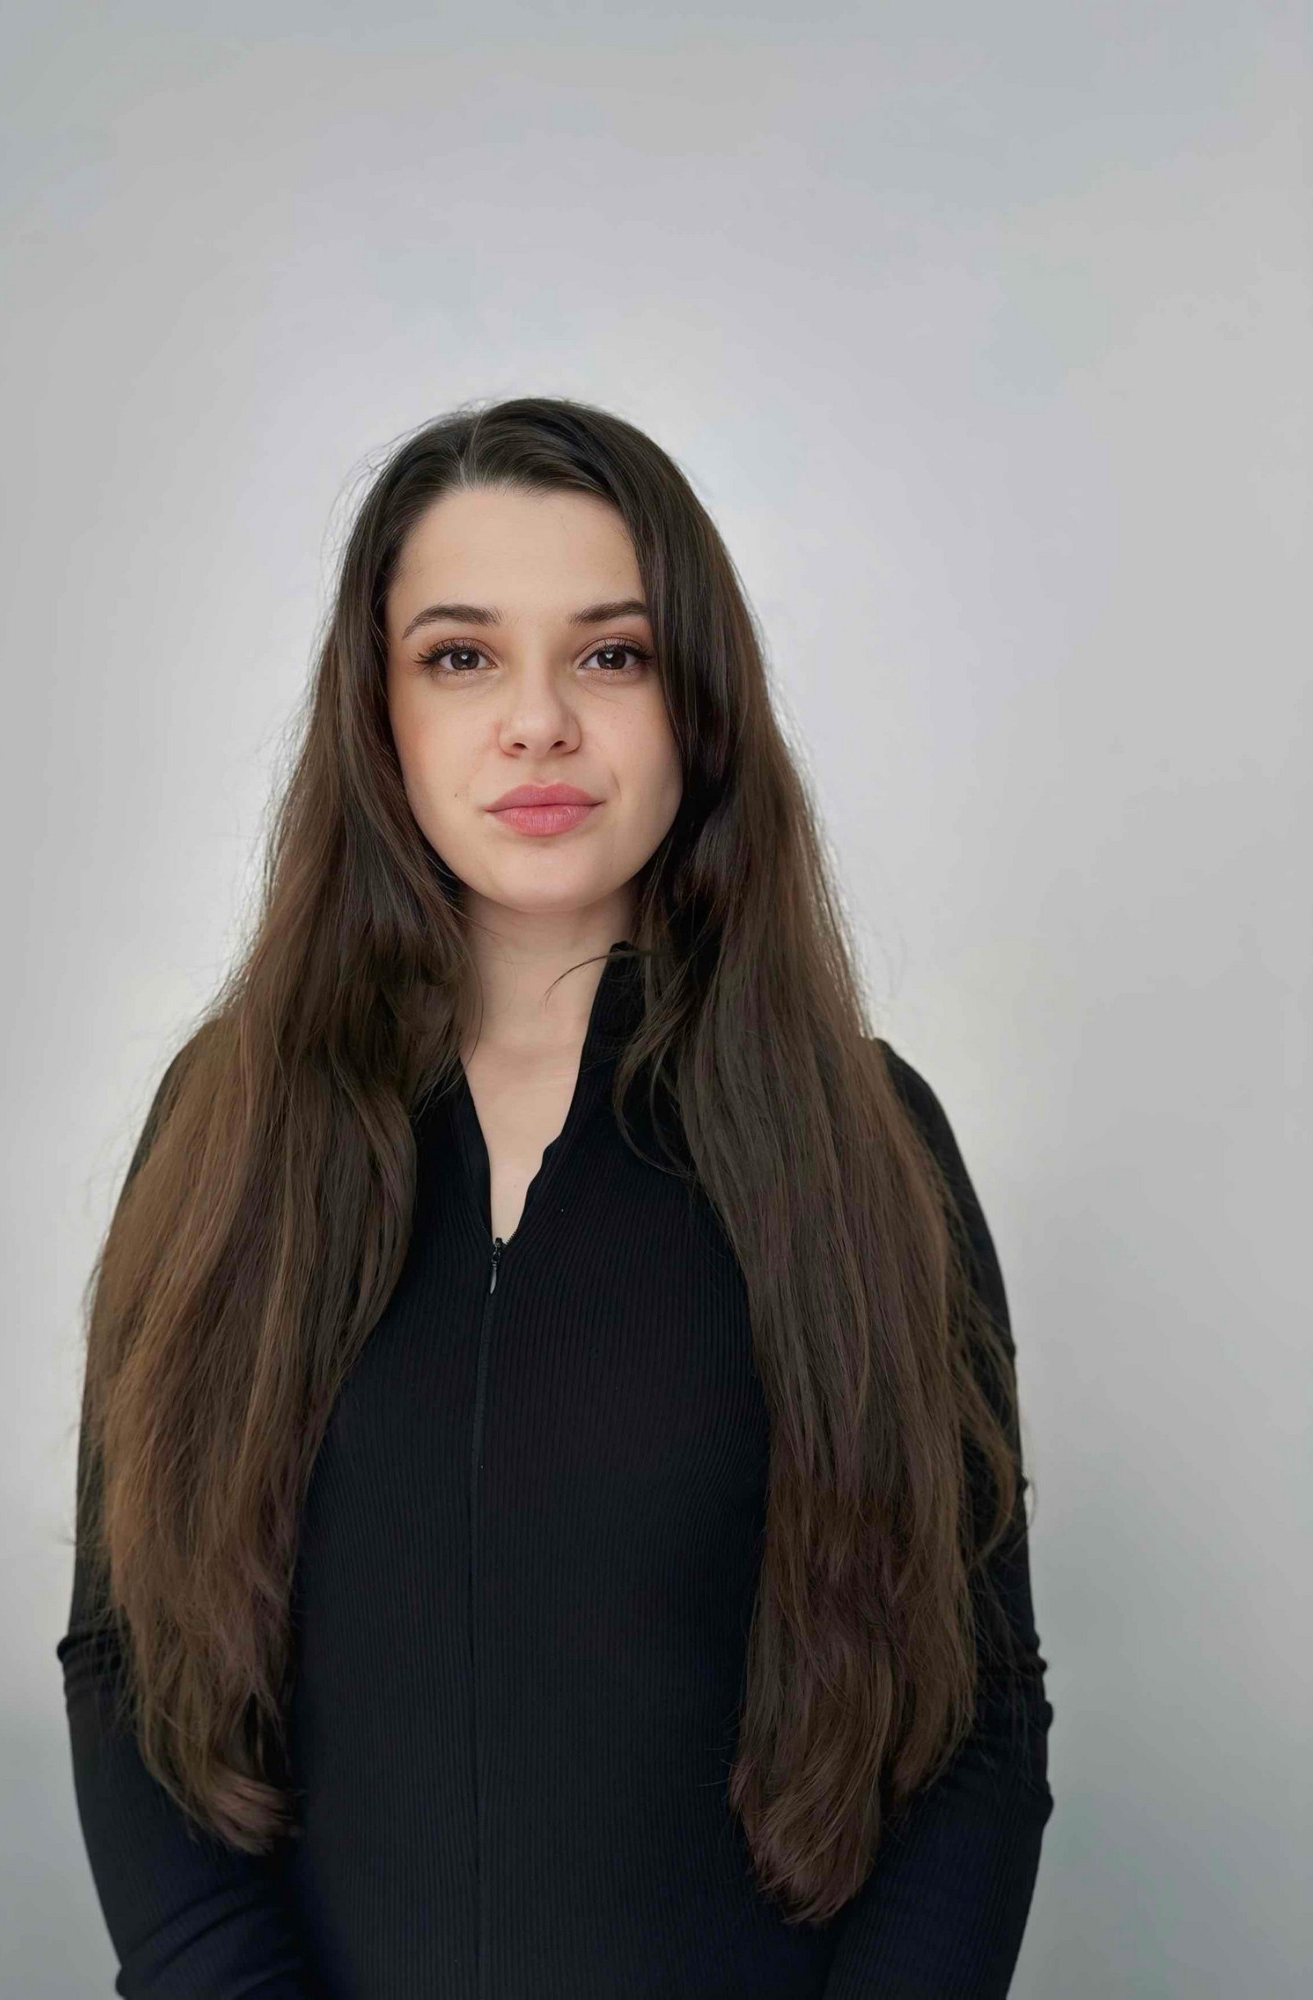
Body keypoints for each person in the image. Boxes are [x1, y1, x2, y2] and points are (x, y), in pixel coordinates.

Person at [58, 395, 1053, 1999]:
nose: (537, 722)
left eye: (612, 654)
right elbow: (130, 1657)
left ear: (699, 704)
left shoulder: (865, 1140)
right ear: (378, 711)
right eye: (460, 656)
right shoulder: (229, 1124)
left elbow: (978, 1717)